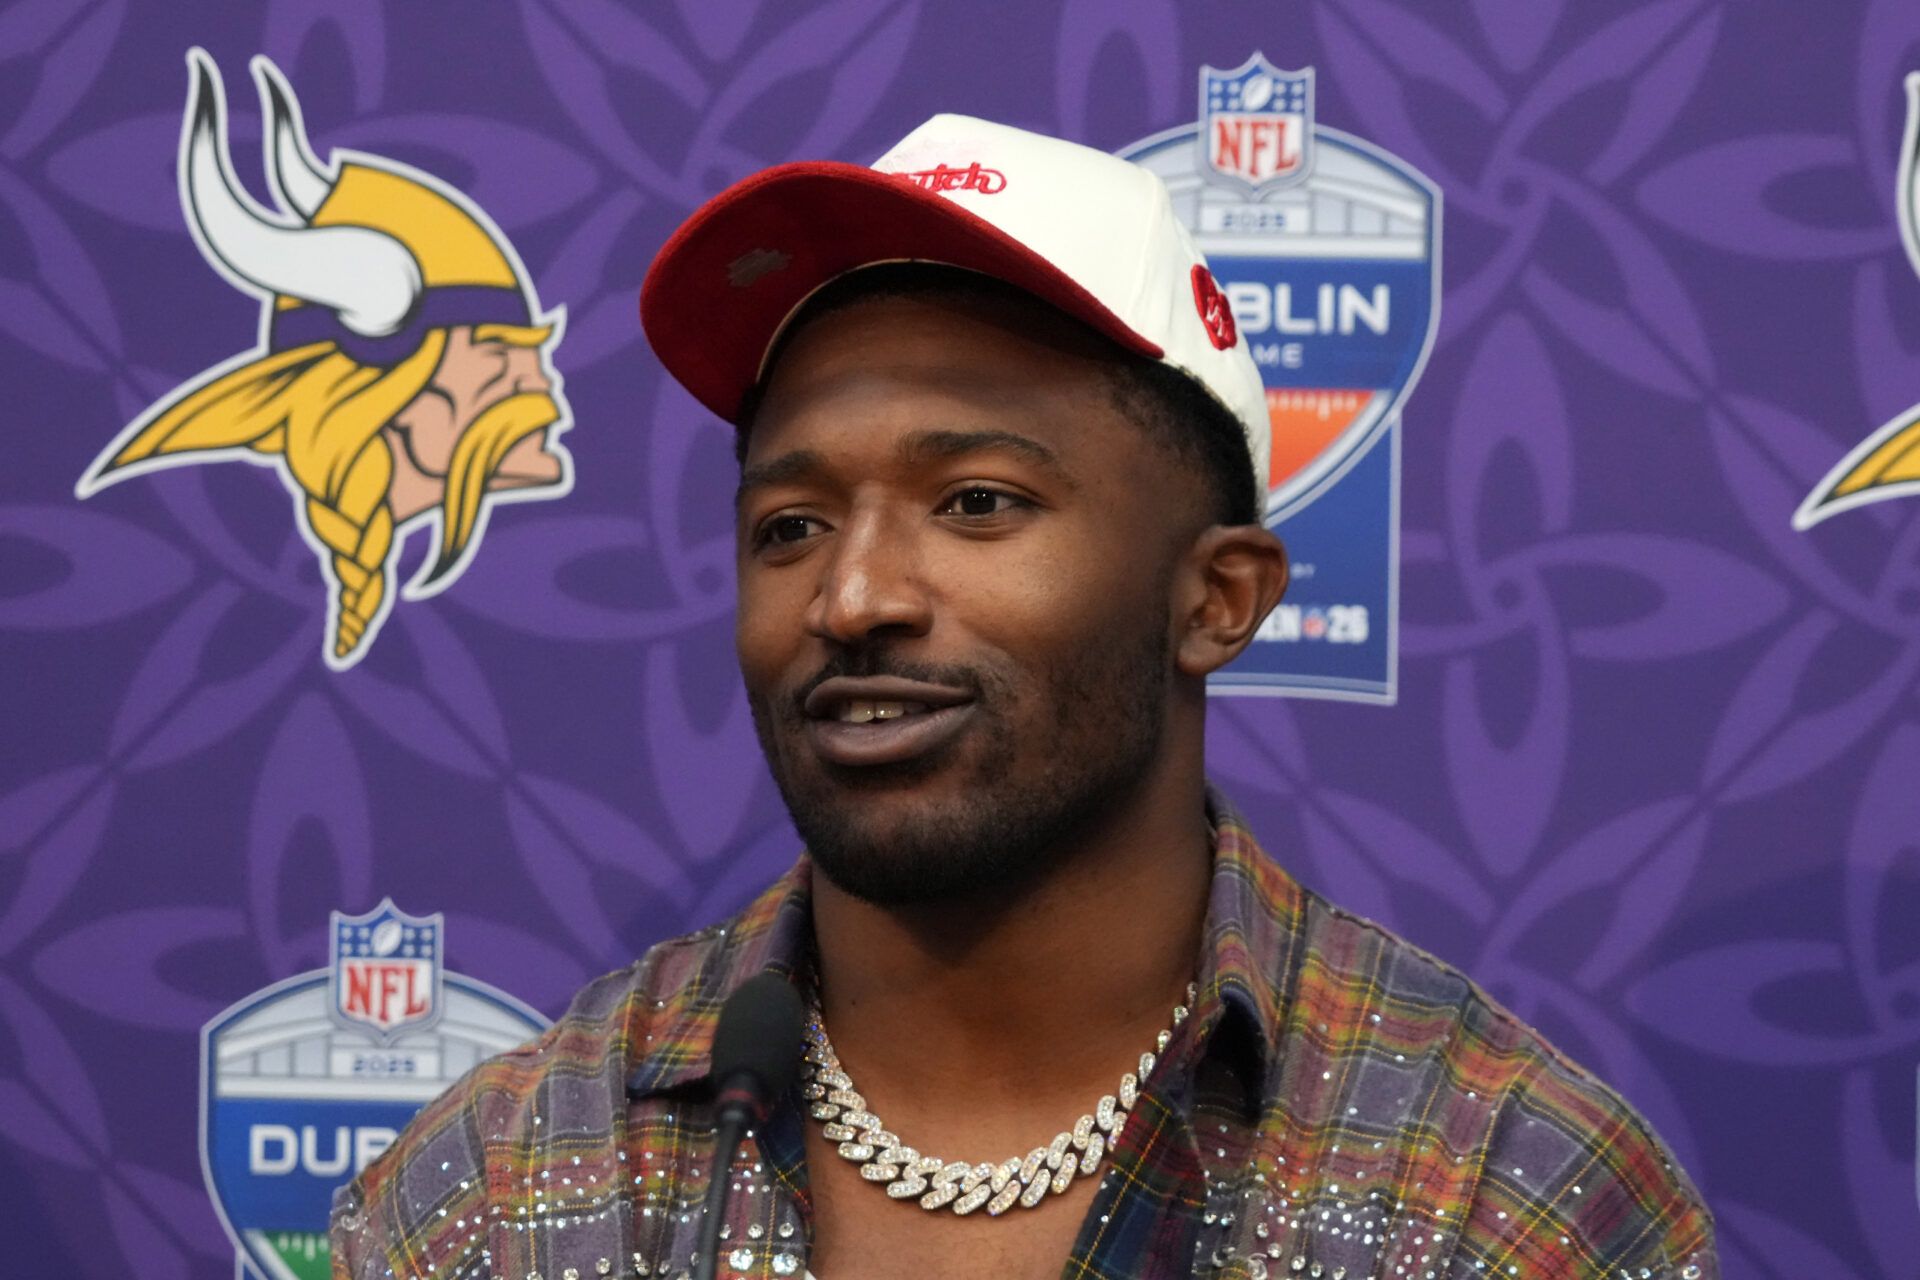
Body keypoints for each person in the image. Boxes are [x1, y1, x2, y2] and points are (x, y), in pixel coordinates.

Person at [329, 115, 1716, 1280]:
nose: (852, 596)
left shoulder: (1500, 1191)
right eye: (790, 526)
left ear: (1215, 598)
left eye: (977, 502)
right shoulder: (512, 1180)